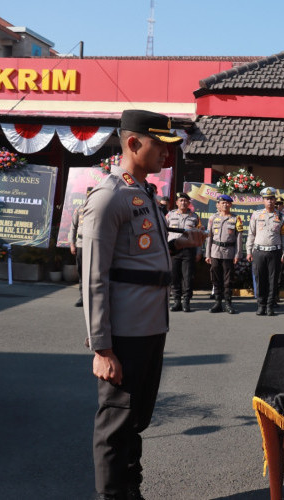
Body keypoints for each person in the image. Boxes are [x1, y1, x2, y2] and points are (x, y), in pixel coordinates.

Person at [81, 109, 206, 500]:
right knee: (116, 422)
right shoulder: (108, 197)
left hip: (152, 327)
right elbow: (93, 276)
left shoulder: (144, 193)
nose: (168, 154)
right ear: (133, 143)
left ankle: (130, 490)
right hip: (124, 331)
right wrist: (102, 347)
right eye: (161, 145)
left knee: (136, 419)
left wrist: (180, 243)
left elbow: (138, 251)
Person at [246, 186, 284, 316]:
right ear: (263, 200)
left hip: (274, 252)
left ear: (275, 200)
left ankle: (270, 306)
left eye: (271, 199)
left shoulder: (282, 217)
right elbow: (251, 234)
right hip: (259, 252)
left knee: (273, 280)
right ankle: (261, 305)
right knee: (260, 279)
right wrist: (249, 251)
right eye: (267, 199)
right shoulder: (256, 215)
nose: (269, 201)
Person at [205, 194, 243, 313]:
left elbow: (239, 238)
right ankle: (217, 303)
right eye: (222, 203)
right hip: (215, 251)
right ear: (218, 205)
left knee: (228, 279)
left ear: (230, 204)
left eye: (227, 203)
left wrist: (238, 254)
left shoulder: (236, 219)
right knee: (215, 278)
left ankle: (228, 303)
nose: (225, 205)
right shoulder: (213, 218)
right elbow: (209, 237)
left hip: (229, 252)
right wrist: (207, 254)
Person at [166, 192, 201, 312]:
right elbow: (164, 233)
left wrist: (198, 252)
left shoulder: (194, 217)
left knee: (188, 277)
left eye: (185, 201)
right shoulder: (169, 215)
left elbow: (199, 236)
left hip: (189, 250)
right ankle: (177, 301)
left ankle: (186, 301)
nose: (183, 202)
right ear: (176, 202)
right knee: (174, 276)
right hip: (173, 250)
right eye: (181, 200)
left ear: (189, 203)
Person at [69, 186, 92, 307]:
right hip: (81, 244)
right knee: (81, 271)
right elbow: (73, 228)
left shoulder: (97, 209)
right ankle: (82, 297)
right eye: (88, 194)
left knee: (94, 272)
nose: (90, 196)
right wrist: (72, 244)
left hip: (94, 245)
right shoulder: (79, 209)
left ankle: (93, 297)